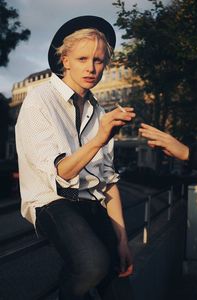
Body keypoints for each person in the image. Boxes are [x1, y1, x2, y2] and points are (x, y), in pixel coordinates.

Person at [15, 16, 134, 300]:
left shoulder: (101, 113)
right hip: (52, 203)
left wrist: (122, 240)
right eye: (82, 58)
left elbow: (108, 182)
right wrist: (99, 139)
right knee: (92, 265)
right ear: (65, 60)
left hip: (92, 205)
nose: (92, 68)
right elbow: (63, 174)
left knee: (120, 284)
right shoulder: (39, 99)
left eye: (99, 60)